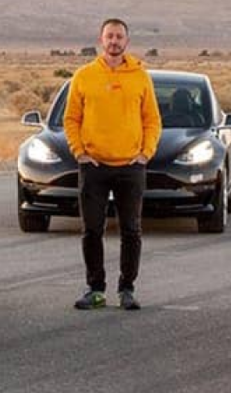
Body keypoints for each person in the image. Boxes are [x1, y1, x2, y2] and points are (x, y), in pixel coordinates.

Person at [64, 18, 161, 311]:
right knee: (92, 229)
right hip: (93, 165)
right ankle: (95, 288)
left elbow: (152, 120)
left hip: (130, 166)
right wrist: (79, 152)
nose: (114, 41)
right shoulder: (84, 76)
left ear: (126, 42)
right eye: (110, 36)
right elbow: (71, 119)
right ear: (101, 40)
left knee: (131, 230)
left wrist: (145, 153)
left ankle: (127, 288)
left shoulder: (140, 76)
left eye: (119, 36)